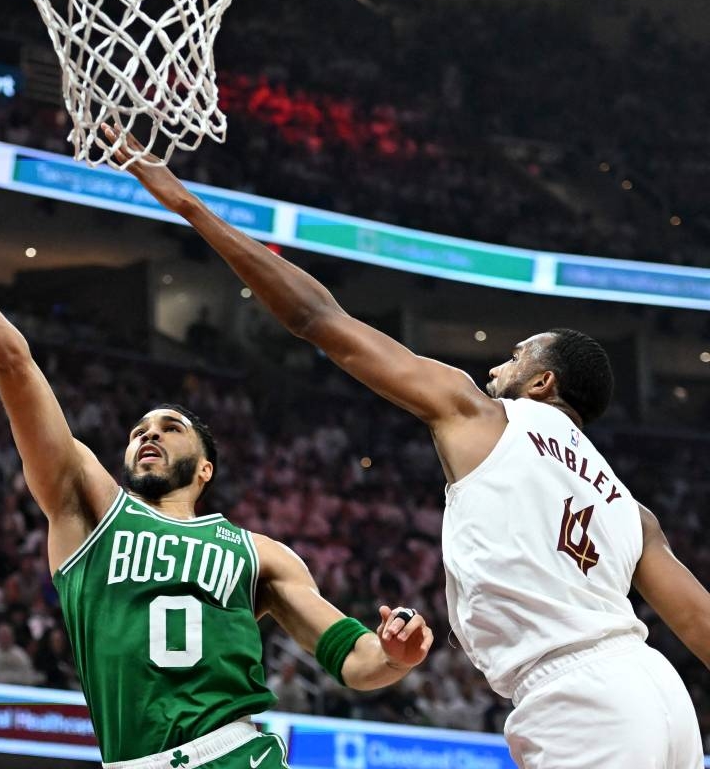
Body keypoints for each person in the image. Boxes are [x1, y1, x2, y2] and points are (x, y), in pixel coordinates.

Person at [107, 125, 707, 769]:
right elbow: (700, 624)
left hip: (577, 697)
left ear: (543, 381)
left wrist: (191, 207)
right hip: (661, 695)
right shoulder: (629, 506)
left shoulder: (482, 414)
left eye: (513, 357)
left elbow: (318, 320)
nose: (494, 369)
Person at [0, 170, 433, 769]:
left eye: (170, 429)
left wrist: (397, 655)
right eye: (139, 430)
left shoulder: (260, 555)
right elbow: (10, 358)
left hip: (233, 753)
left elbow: (356, 661)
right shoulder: (86, 506)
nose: (149, 436)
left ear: (205, 470)